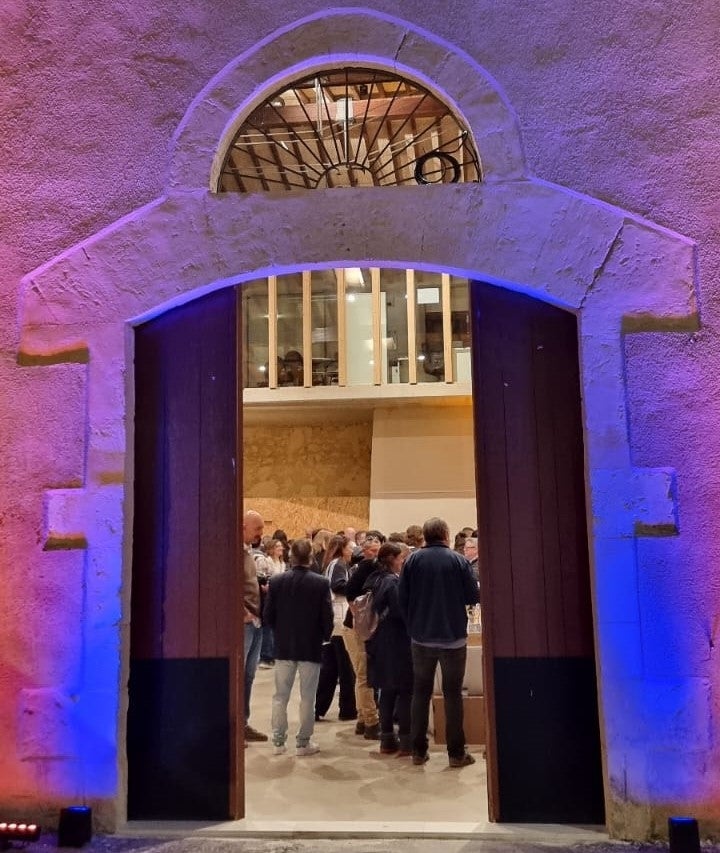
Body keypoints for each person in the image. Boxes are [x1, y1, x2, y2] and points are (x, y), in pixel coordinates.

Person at [398, 516, 479, 768]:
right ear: (445, 534)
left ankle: (418, 751)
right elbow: (472, 595)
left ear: (425, 535)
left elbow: (402, 597)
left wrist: (413, 625)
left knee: (420, 693)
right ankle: (456, 753)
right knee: (453, 694)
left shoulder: (412, 561)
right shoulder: (459, 560)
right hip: (453, 637)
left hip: (421, 637)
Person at [264, 538, 334, 756]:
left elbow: (268, 615)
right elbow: (327, 616)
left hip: (284, 645)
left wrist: (279, 633)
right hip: (311, 645)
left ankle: (278, 741)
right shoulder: (321, 583)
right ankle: (303, 742)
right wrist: (325, 636)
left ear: (290, 557)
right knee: (307, 697)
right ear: (311, 558)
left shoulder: (276, 581)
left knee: (280, 695)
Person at [362, 541, 412, 755]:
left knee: (387, 691)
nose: (403, 562)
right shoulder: (392, 582)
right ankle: (407, 741)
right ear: (393, 559)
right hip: (397, 642)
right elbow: (401, 612)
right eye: (401, 558)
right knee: (405, 690)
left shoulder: (375, 579)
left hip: (378, 641)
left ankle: (387, 739)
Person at [343, 533, 383, 738]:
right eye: (373, 551)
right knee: (364, 675)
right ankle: (371, 722)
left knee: (363, 675)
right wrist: (358, 616)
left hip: (363, 629)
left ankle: (362, 719)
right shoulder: (366, 568)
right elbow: (349, 592)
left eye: (379, 550)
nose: (376, 554)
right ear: (365, 552)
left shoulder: (377, 569)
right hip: (356, 629)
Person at [315, 535, 357, 722]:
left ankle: (318, 707)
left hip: (335, 621)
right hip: (339, 621)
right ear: (342, 549)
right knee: (346, 668)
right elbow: (337, 586)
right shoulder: (338, 564)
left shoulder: (336, 564)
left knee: (330, 668)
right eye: (350, 547)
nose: (352, 550)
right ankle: (347, 709)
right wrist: (356, 586)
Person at [242, 509, 269, 743]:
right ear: (243, 528)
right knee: (239, 675)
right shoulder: (233, 553)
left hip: (256, 620)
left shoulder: (249, 552)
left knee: (249, 675)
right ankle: (234, 727)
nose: (261, 533)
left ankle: (243, 722)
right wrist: (241, 612)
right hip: (244, 623)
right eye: (257, 528)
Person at [258, 538, 288, 669]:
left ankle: (276, 652)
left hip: (281, 598)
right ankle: (266, 655)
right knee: (268, 626)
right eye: (277, 546)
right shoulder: (266, 562)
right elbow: (261, 579)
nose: (281, 548)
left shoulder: (283, 564)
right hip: (269, 597)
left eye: (281, 546)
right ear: (271, 549)